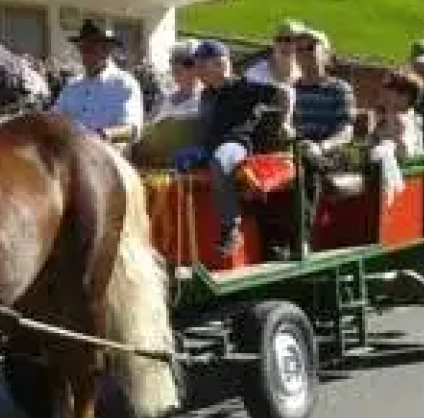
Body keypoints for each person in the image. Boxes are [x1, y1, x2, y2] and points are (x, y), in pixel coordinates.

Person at [175, 38, 287, 258]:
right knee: (177, 162)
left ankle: (231, 229)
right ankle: (185, 240)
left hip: (237, 145)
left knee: (220, 158)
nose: (196, 71)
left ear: (219, 64)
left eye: (200, 65)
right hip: (209, 147)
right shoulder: (206, 94)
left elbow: (285, 92)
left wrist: (286, 121)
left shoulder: (244, 87)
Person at [290, 28, 357, 242]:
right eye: (298, 49)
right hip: (298, 150)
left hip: (332, 153)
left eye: (310, 47)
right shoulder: (291, 90)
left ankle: (301, 240)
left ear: (325, 53)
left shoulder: (339, 89)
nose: (303, 53)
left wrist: (321, 147)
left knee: (307, 161)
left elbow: (346, 132)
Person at [52, 19, 145, 143]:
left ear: (107, 50)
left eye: (92, 48)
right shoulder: (72, 86)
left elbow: (132, 130)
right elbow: (54, 119)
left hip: (108, 157)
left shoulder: (124, 83)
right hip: (71, 155)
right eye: (82, 48)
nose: (86, 54)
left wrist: (102, 135)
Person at [244, 18, 304, 106]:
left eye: (289, 40)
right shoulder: (255, 74)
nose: (283, 44)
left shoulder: (305, 73)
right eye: (278, 39)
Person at [370, 68, 424, 160]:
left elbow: (406, 154)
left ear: (406, 97)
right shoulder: (384, 116)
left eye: (389, 88)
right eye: (385, 87)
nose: (383, 92)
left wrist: (392, 140)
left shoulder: (406, 120)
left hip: (404, 170)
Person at [149, 40, 203, 121]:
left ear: (194, 69)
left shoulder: (205, 100)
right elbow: (150, 123)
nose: (174, 76)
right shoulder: (165, 98)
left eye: (178, 71)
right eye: (173, 71)